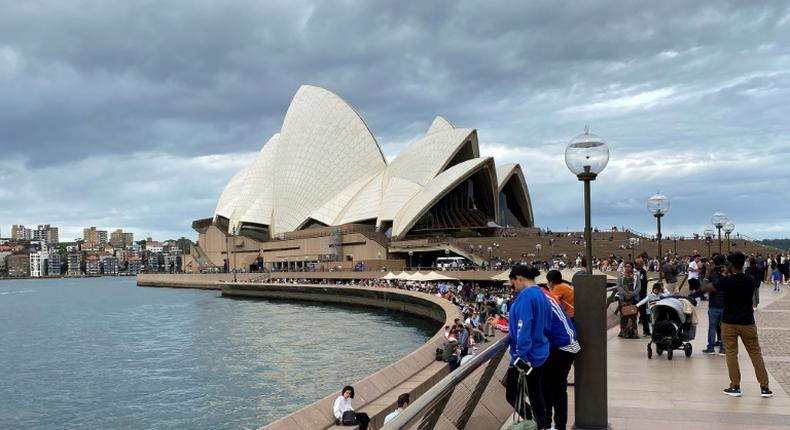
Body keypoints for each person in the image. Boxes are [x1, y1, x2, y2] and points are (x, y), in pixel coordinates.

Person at [704, 252, 773, 398]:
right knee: (755, 354)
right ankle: (765, 387)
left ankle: (735, 386)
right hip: (748, 321)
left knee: (731, 354)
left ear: (730, 265)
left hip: (729, 322)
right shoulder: (750, 280)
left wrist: (708, 274)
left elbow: (705, 288)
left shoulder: (726, 281)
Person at [505, 264, 551, 429]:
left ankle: (534, 424)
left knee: (511, 394)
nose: (514, 288)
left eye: (513, 283)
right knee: (535, 393)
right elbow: (547, 323)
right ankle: (541, 425)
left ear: (519, 279)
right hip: (540, 352)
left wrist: (521, 357)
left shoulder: (526, 296)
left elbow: (523, 326)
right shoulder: (541, 294)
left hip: (526, 356)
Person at [538, 283, 580, 430]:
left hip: (561, 347)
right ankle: (554, 425)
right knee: (554, 388)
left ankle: (549, 424)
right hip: (566, 345)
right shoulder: (549, 297)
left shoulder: (543, 300)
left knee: (550, 387)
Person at [702, 254, 727, 355]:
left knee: (712, 326)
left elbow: (704, 288)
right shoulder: (727, 273)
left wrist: (707, 274)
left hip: (713, 304)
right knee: (724, 327)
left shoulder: (712, 273)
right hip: (725, 304)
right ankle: (723, 348)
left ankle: (711, 347)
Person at [615, 262, 640, 338]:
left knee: (633, 315)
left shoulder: (636, 276)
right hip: (623, 300)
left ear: (632, 267)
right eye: (626, 266)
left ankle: (633, 333)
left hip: (634, 299)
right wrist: (626, 294)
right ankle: (624, 332)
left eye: (629, 267)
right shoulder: (621, 277)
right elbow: (619, 287)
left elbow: (639, 287)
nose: (627, 268)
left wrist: (632, 294)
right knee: (624, 316)